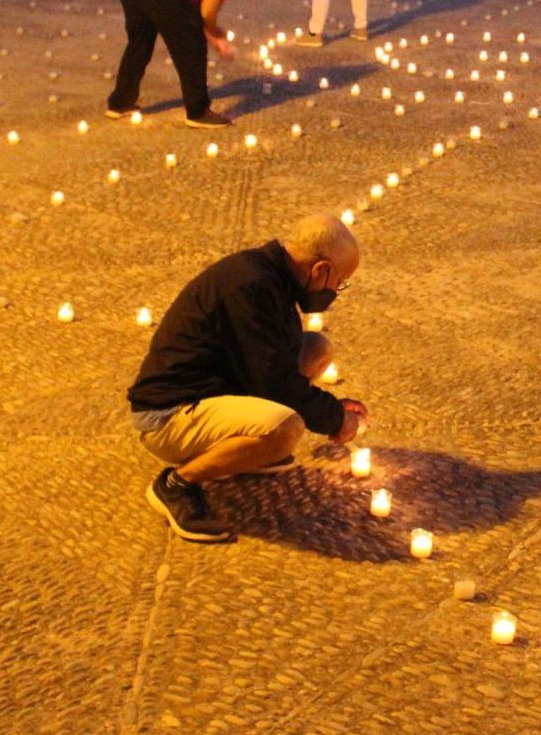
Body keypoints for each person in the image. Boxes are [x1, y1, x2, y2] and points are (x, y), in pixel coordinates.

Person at [129, 214, 369, 543]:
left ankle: (247, 452)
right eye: (339, 282)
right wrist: (335, 418)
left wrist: (333, 409)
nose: (336, 292)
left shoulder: (272, 275)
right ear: (320, 270)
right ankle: (177, 485)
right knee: (286, 429)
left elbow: (273, 366)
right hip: (168, 414)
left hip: (215, 386)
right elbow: (276, 385)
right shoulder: (251, 286)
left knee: (315, 349)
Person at [104, 0, 254, 128]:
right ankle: (198, 112)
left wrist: (211, 35)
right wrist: (216, 33)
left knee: (139, 46)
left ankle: (120, 103)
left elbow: (196, 15)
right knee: (191, 49)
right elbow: (207, 13)